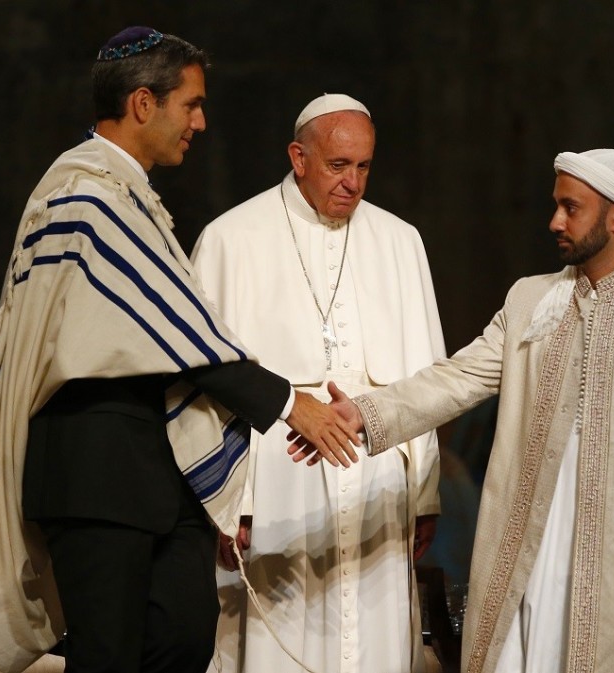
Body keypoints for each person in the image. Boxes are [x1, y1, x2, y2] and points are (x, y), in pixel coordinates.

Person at [0, 28, 358, 673]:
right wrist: (290, 404)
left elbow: (170, 331)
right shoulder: (84, 197)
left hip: (160, 474)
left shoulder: (129, 197)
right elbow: (179, 332)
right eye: (190, 104)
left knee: (184, 641)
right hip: (96, 472)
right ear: (144, 103)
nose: (200, 121)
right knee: (109, 658)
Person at [300, 148, 614, 672]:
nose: (555, 221)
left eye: (571, 208)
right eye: (557, 206)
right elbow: (458, 377)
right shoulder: (530, 300)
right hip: (529, 537)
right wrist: (367, 413)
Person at [190, 94, 446, 673]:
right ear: (298, 157)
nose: (353, 183)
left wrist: (425, 494)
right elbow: (206, 387)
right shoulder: (231, 238)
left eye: (364, 167)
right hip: (276, 474)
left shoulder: (401, 240)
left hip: (379, 475)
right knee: (277, 635)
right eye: (338, 166)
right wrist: (233, 503)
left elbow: (427, 381)